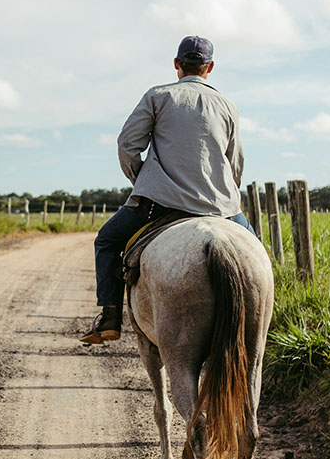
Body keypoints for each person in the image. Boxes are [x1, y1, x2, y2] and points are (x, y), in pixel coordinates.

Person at [80, 35, 253, 345]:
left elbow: (127, 145)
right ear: (209, 67)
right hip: (221, 207)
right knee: (255, 256)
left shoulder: (157, 97)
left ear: (177, 64)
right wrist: (223, 192)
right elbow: (235, 162)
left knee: (106, 241)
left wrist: (144, 180)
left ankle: (109, 317)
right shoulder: (228, 106)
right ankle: (261, 320)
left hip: (158, 203)